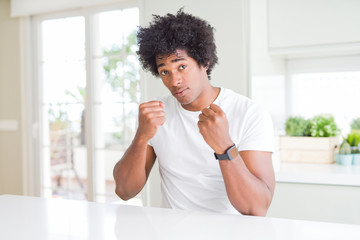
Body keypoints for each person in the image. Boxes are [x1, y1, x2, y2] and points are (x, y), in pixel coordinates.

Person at [113, 9, 275, 216]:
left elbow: (257, 207)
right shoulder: (156, 114)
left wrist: (224, 147)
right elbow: (124, 191)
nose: (174, 81)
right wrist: (141, 136)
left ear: (204, 62)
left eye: (182, 67)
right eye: (164, 72)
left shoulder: (249, 114)